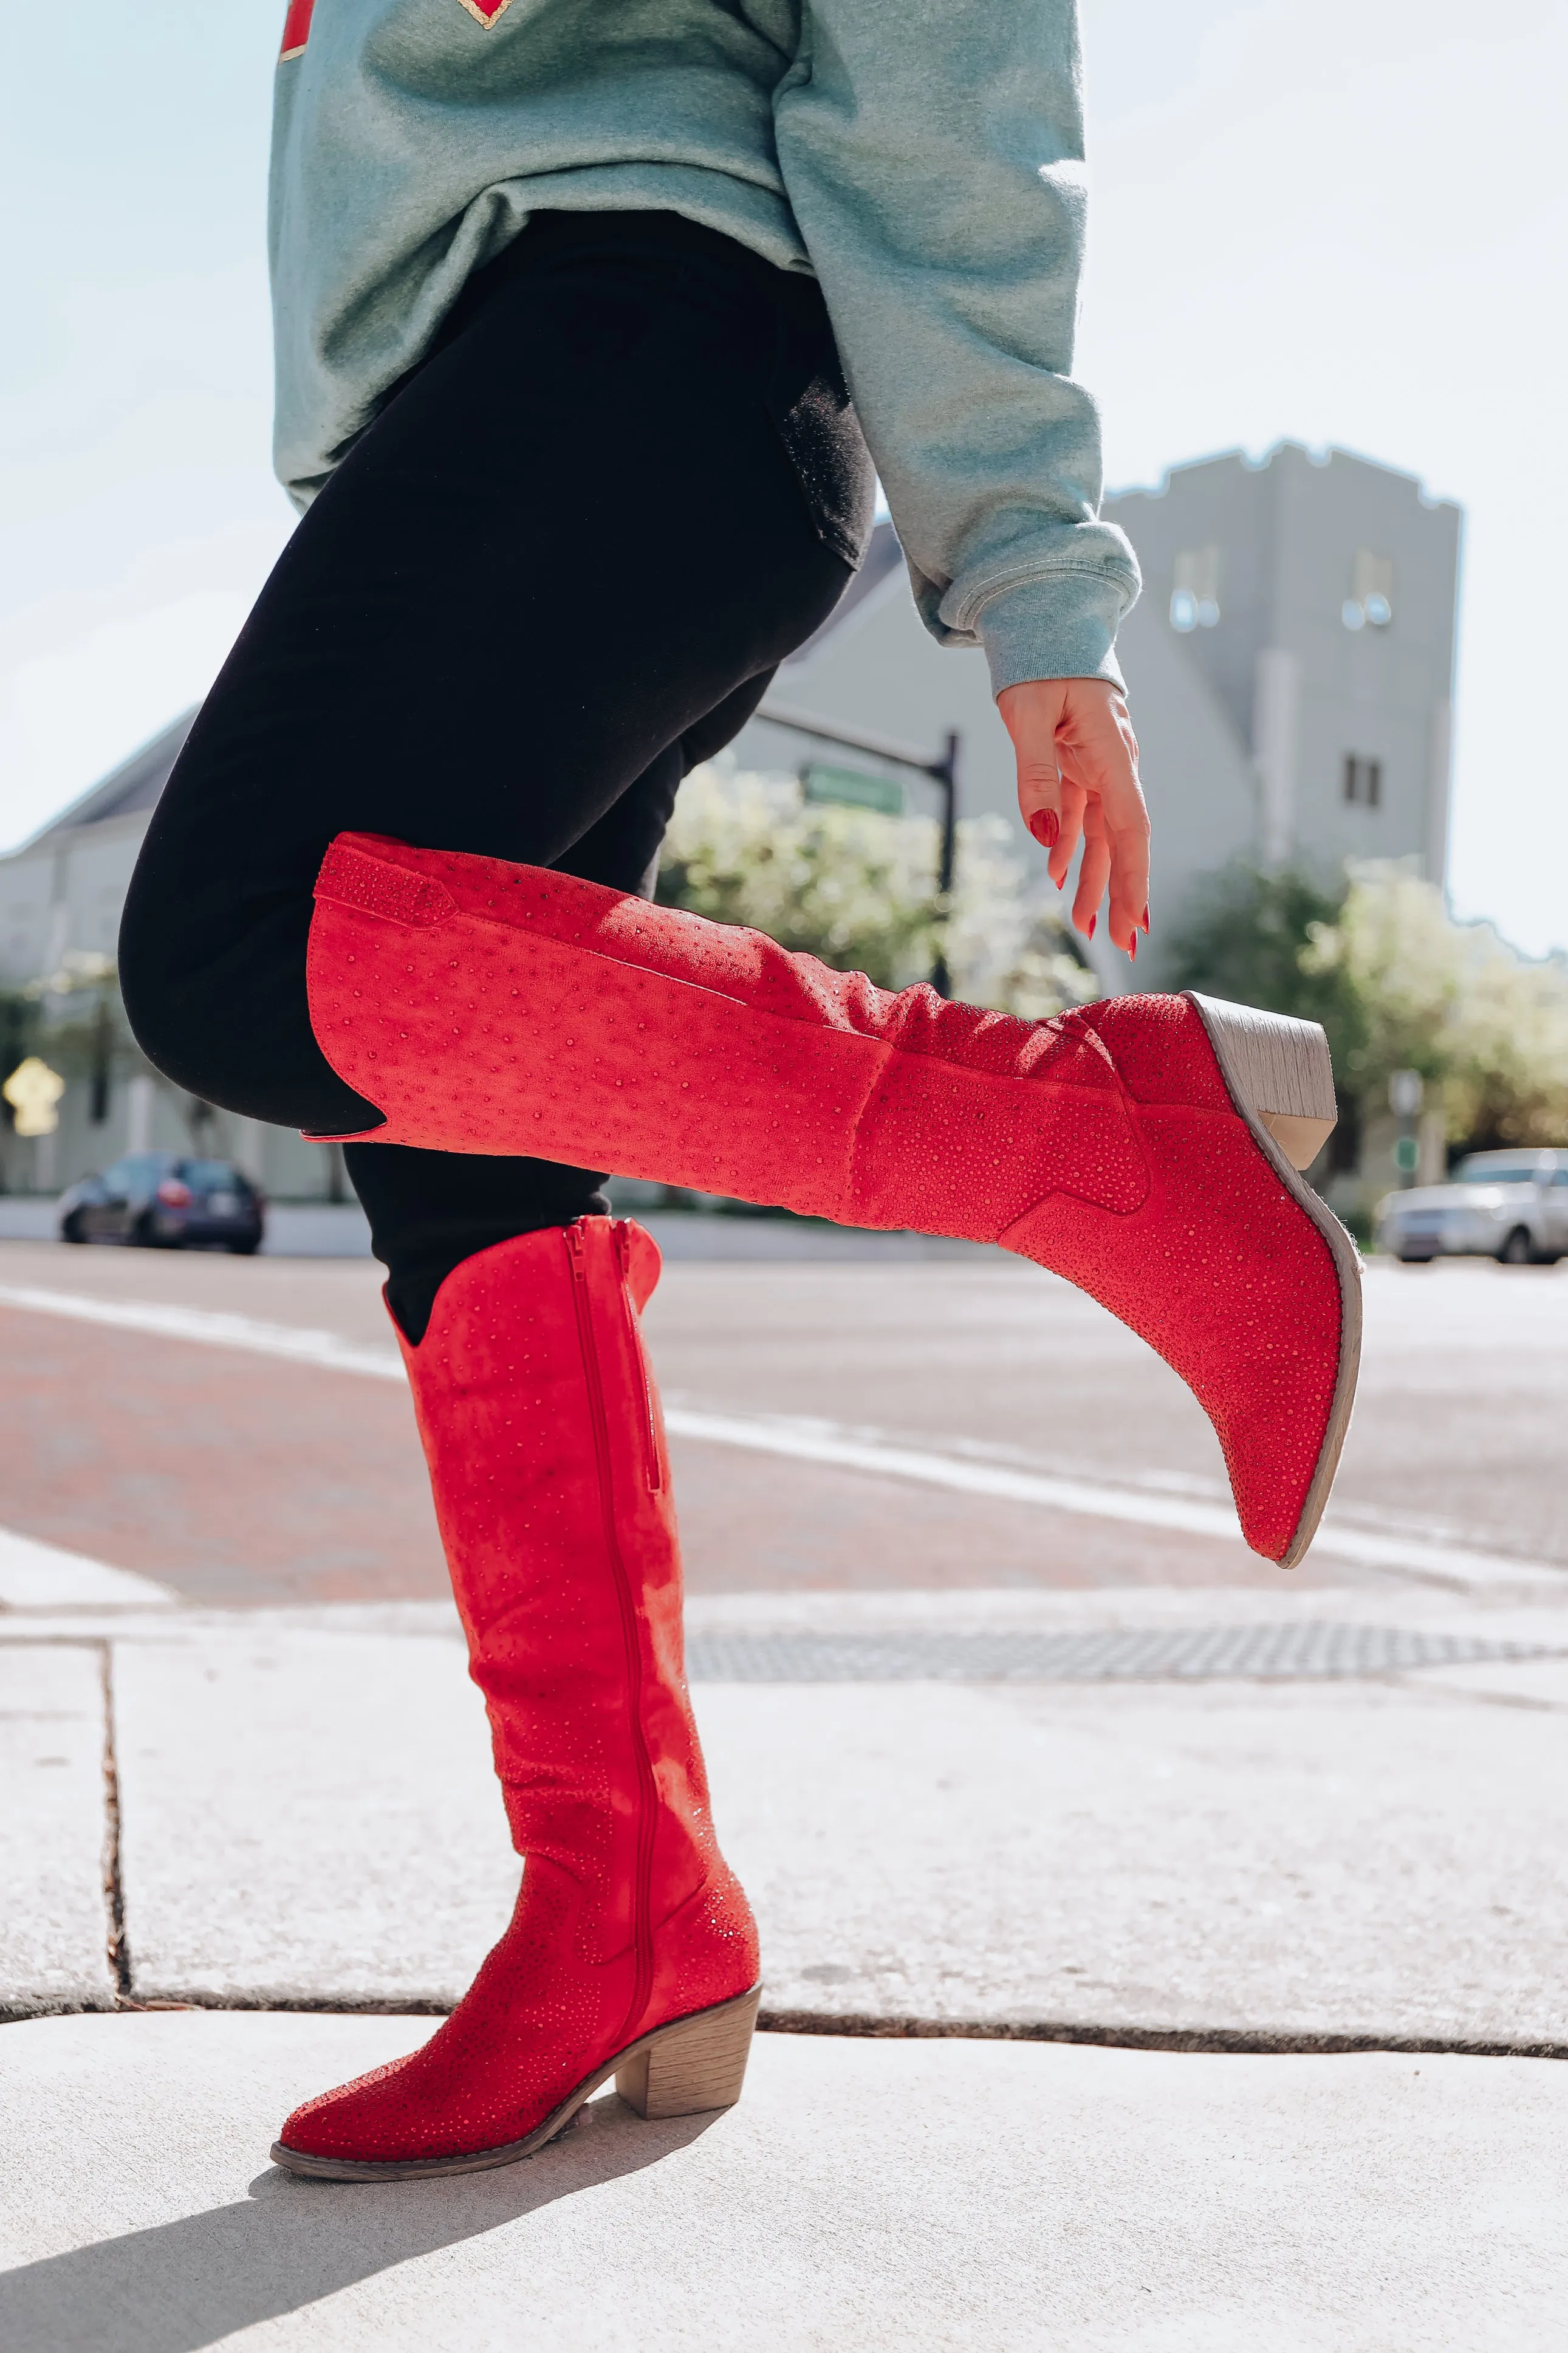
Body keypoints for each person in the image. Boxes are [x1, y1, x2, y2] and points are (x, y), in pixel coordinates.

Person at [119, 0, 1360, 2182]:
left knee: (240, 953)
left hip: (652, 342)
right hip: (500, 390)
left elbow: (946, 69)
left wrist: (1038, 585)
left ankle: (1097, 1132)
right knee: (465, 1183)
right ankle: (625, 1911)